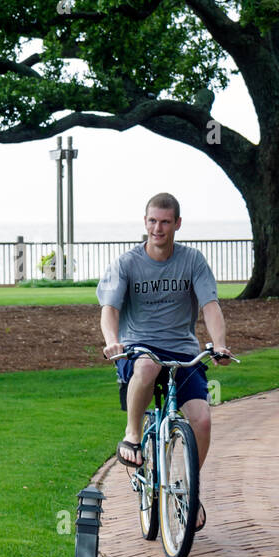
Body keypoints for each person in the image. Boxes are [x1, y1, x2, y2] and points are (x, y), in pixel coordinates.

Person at [97, 193, 232, 529]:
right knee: (147, 366)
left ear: (178, 224)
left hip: (184, 351)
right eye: (153, 221)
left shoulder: (193, 261)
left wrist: (219, 344)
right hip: (139, 347)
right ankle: (132, 432)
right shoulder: (127, 263)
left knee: (201, 420)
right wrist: (112, 342)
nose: (158, 228)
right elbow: (110, 310)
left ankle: (189, 489)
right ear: (145, 222)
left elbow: (210, 306)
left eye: (166, 222)